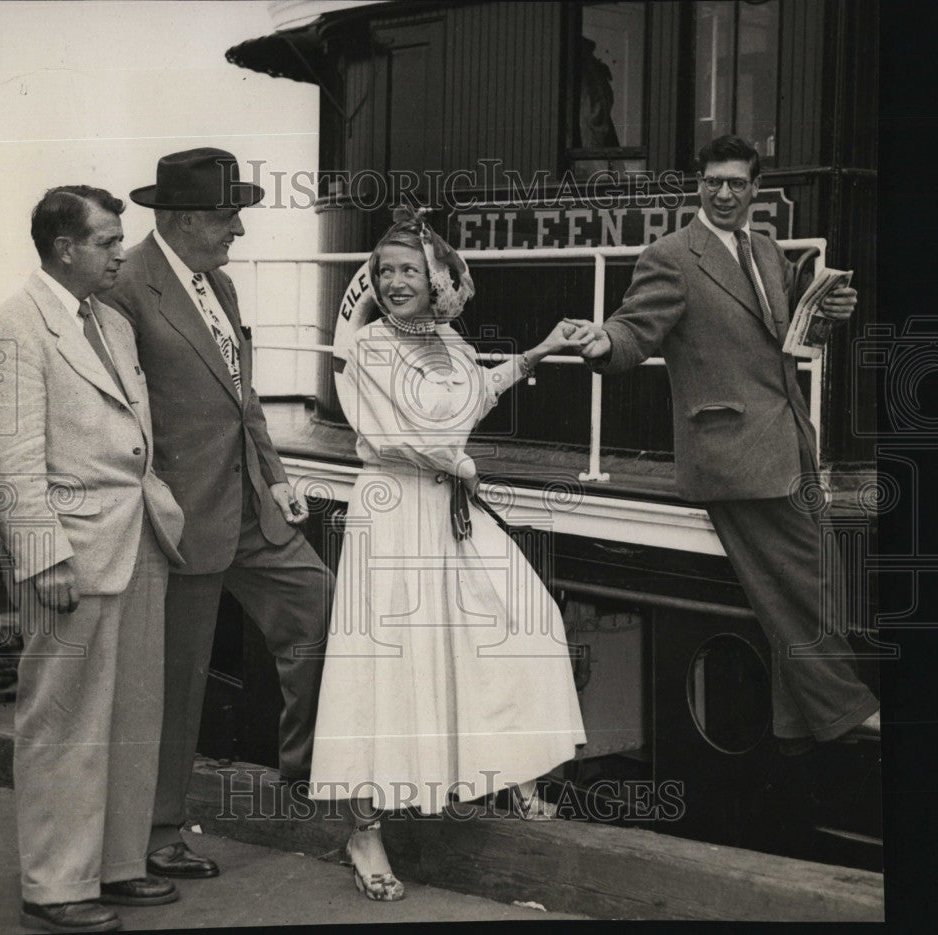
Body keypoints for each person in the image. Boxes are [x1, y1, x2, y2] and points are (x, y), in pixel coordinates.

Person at [566, 134, 880, 753]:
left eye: (738, 182)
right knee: (804, 578)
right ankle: (846, 714)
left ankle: (798, 727)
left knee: (810, 578)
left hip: (787, 438)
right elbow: (635, 326)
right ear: (699, 185)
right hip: (732, 451)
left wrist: (831, 305)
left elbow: (788, 319)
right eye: (714, 181)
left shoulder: (764, 250)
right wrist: (604, 345)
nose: (726, 192)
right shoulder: (672, 256)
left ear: (755, 188)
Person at [309, 206, 587, 901]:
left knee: (527, 622)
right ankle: (365, 830)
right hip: (395, 508)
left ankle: (514, 772)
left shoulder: (451, 343)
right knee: (388, 668)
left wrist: (543, 348)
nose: (395, 280)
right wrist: (457, 463)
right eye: (385, 270)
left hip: (444, 506)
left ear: (437, 279)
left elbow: (474, 398)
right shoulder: (369, 347)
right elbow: (400, 434)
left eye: (409, 270)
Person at [103, 148, 334, 879]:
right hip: (181, 520)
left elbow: (244, 396)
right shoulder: (127, 287)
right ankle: (159, 830)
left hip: (250, 505)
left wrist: (276, 474)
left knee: (319, 601)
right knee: (180, 677)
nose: (238, 228)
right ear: (181, 218)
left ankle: (303, 770)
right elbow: (116, 408)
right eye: (227, 214)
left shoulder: (220, 284)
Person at [0, 186, 186, 933]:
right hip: (70, 552)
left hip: (137, 539)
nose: (119, 252)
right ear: (65, 247)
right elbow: (6, 462)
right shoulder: (11, 330)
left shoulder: (111, 324)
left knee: (130, 714)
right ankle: (56, 885)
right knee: (63, 721)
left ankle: (116, 864)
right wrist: (42, 556)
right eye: (106, 241)